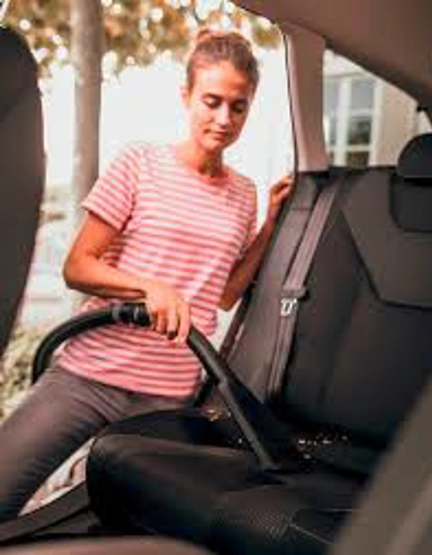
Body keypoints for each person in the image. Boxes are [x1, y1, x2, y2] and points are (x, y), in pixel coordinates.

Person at [0, 28, 293, 521]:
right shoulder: (140, 162)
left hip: (165, 397)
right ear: (186, 96)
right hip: (88, 376)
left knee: (103, 524)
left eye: (238, 107)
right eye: (212, 101)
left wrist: (269, 226)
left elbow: (224, 295)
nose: (224, 119)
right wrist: (149, 288)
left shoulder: (244, 193)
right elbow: (78, 266)